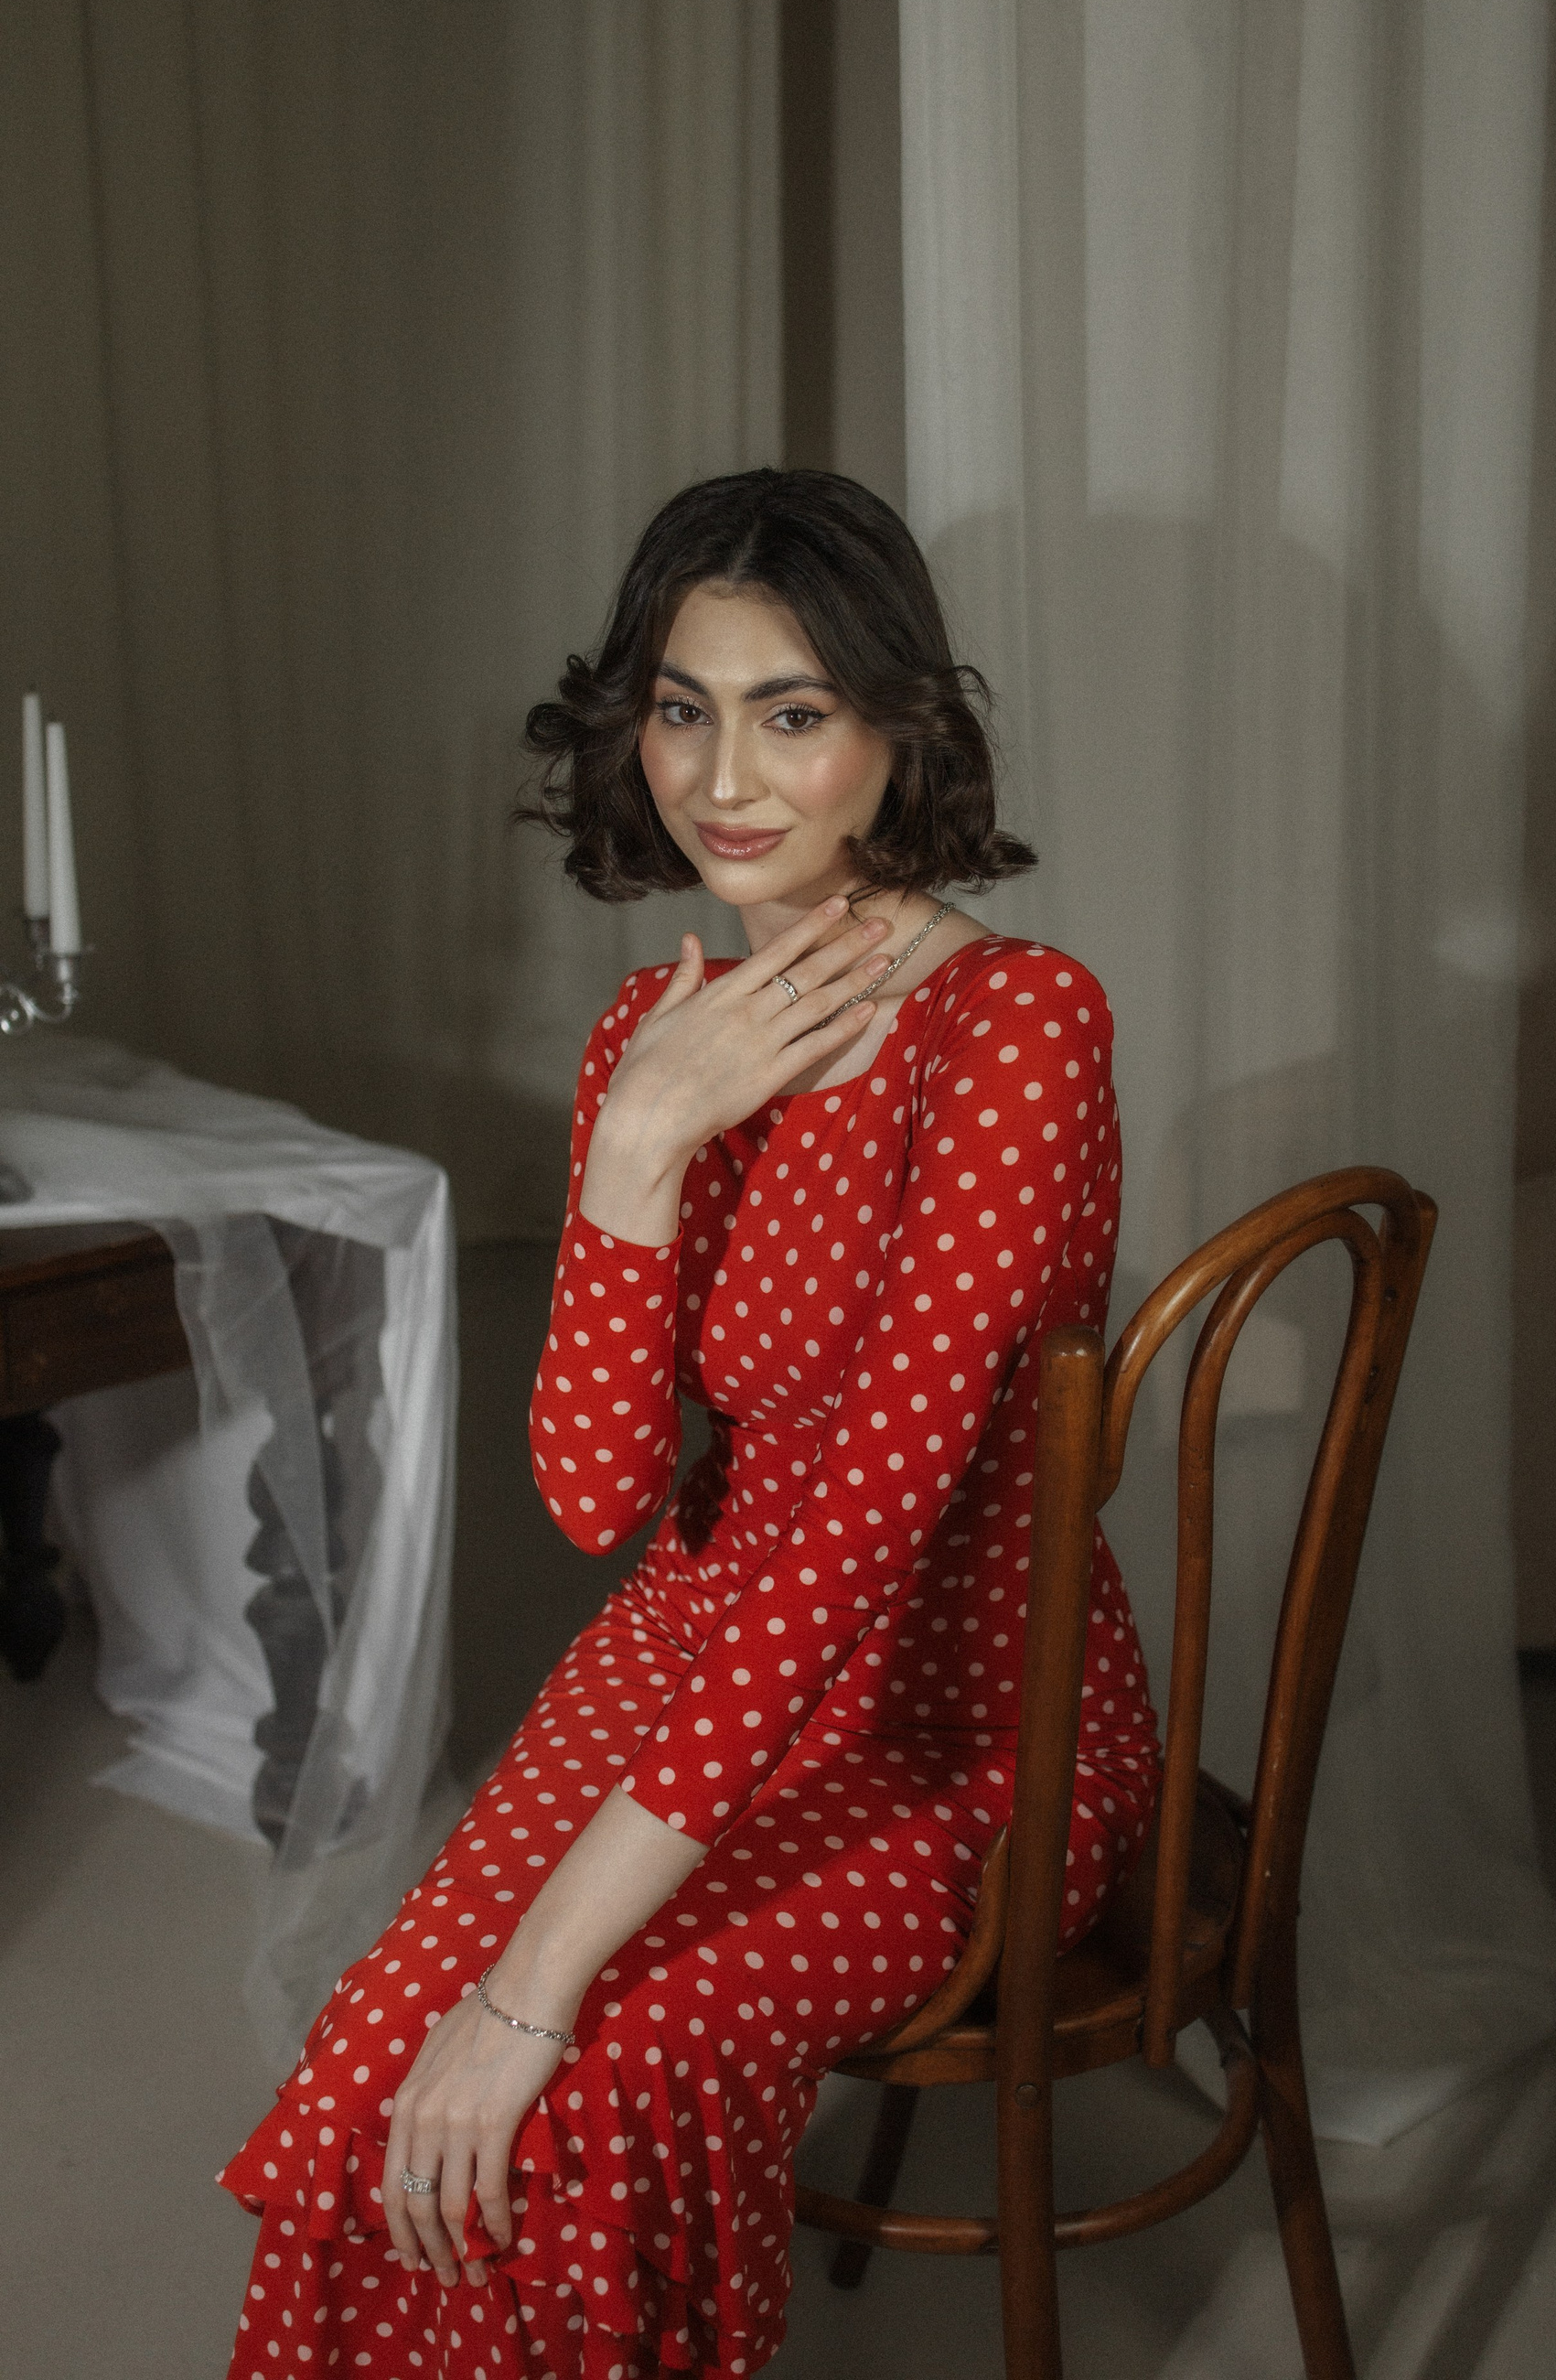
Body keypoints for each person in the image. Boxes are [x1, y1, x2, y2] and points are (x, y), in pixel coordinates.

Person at [220, 468, 1161, 2379]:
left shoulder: (1021, 1029)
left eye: (791, 713)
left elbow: (852, 1557)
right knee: (380, 2055)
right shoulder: (654, 1041)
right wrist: (640, 1145)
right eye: (680, 707)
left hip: (958, 1729)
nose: (722, 778)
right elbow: (597, 1501)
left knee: (558, 2082)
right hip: (685, 1652)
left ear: (897, 731)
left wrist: (541, 1980)